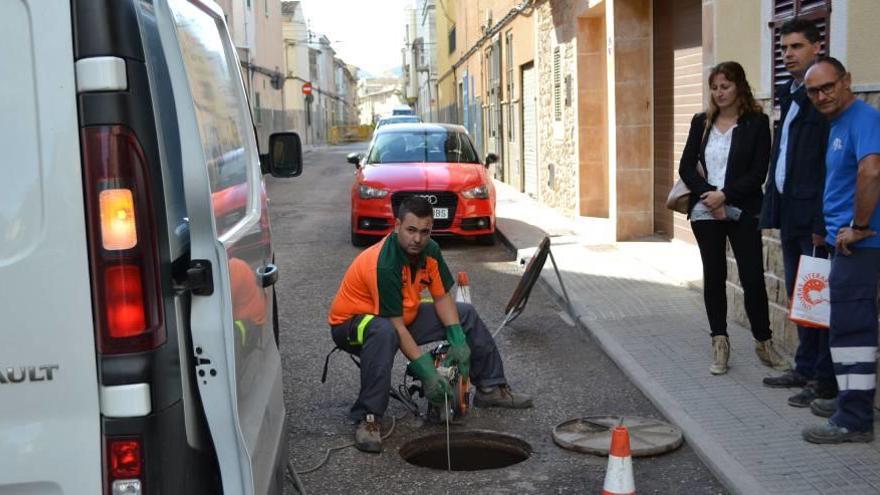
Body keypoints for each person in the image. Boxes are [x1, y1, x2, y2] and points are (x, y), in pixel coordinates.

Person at [327, 196, 533, 453]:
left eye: (425, 232)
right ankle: (368, 418)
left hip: (399, 317)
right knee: (384, 332)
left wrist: (457, 337)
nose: (417, 239)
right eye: (411, 230)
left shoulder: (430, 251)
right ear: (397, 225)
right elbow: (396, 327)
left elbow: (442, 296)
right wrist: (427, 372)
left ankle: (491, 387)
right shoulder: (384, 263)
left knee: (464, 313)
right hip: (353, 324)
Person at [679, 61, 788, 375]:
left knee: (752, 277)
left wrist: (724, 196)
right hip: (705, 210)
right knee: (713, 277)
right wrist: (709, 195)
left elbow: (758, 173)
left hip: (742, 208)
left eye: (724, 86)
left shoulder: (756, 123)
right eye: (714, 88)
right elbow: (686, 167)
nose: (719, 93)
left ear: (739, 86)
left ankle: (764, 344)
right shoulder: (701, 122)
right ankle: (720, 343)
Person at [801, 57, 880, 444]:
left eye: (828, 86)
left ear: (846, 81)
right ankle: (851, 403)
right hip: (841, 242)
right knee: (847, 330)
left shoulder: (863, 117)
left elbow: (871, 171)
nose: (821, 95)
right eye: (814, 91)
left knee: (853, 332)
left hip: (860, 246)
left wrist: (860, 227)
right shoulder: (840, 123)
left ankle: (855, 419)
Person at [759, 19, 837, 408]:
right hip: (790, 213)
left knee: (817, 297)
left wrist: (823, 224)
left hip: (814, 221)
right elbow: (784, 157)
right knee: (799, 295)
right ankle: (805, 368)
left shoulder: (823, 99)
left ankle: (824, 379)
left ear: (817, 47)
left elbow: (830, 168)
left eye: (797, 46)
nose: (788, 53)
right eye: (784, 47)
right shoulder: (790, 94)